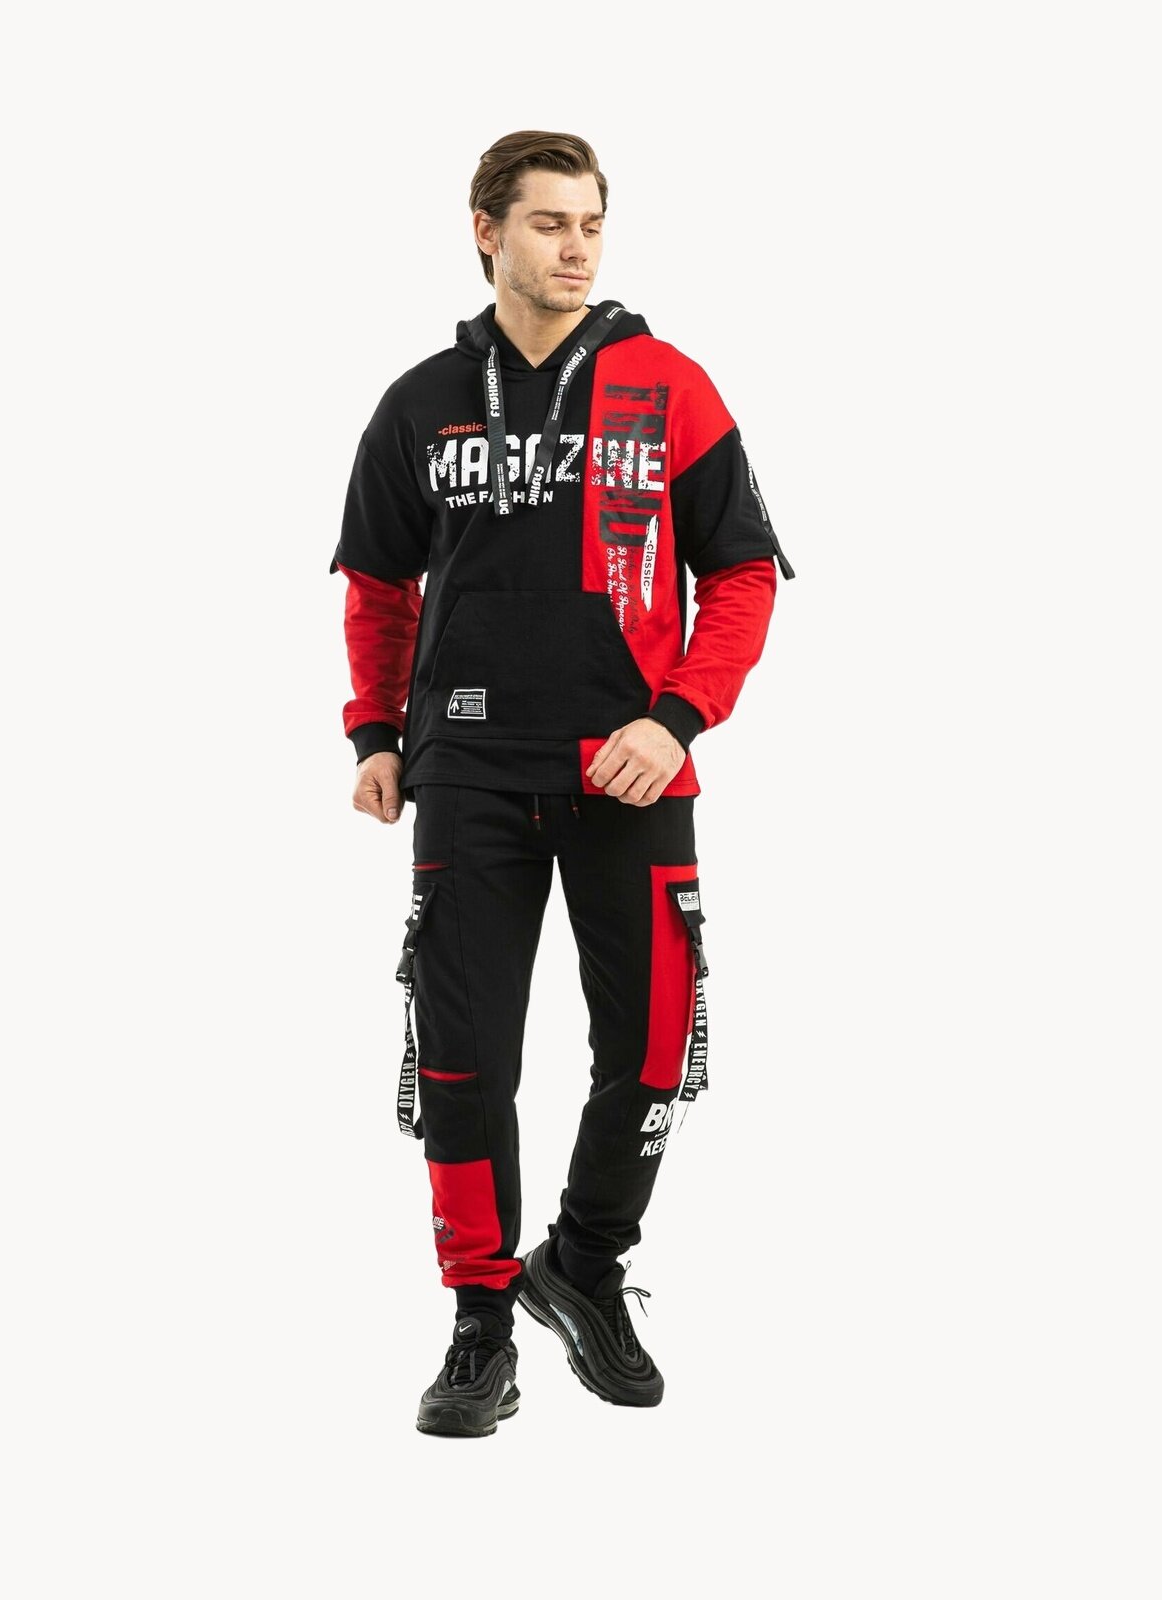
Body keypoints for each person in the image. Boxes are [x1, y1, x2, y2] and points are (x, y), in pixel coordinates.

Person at [329, 129, 794, 1437]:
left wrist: (679, 717)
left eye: (591, 223)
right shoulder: (421, 401)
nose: (577, 247)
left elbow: (742, 573)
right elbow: (378, 585)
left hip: (629, 771)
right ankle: (480, 1320)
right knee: (463, 1057)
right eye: (549, 223)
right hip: (469, 769)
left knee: (654, 1045)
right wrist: (374, 733)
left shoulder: (670, 386)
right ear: (486, 231)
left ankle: (582, 1261)